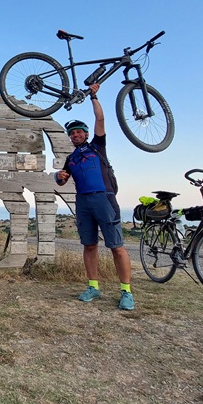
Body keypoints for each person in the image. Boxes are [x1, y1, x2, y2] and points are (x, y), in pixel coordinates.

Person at [54, 83, 135, 311]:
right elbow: (62, 180)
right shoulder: (71, 158)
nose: (75, 135)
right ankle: (93, 287)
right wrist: (58, 177)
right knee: (89, 245)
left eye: (79, 131)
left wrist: (94, 97)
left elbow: (100, 120)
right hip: (83, 202)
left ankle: (126, 291)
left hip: (104, 198)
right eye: (72, 133)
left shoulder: (98, 146)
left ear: (86, 134)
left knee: (116, 246)